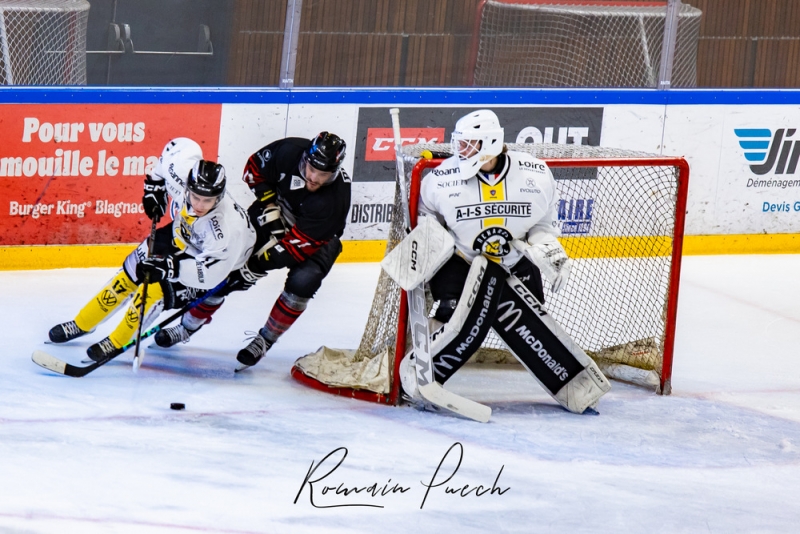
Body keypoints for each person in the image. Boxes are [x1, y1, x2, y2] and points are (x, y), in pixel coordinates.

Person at [153, 132, 351, 369]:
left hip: (318, 237)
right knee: (225, 265)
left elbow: (294, 250)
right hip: (276, 208)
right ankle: (187, 325)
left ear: (335, 171)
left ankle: (265, 340)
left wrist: (253, 268)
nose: (314, 178)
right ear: (305, 158)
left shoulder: (334, 201)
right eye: (311, 169)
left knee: (303, 282)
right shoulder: (288, 151)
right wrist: (269, 204)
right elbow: (253, 169)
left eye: (324, 174)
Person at [47, 138, 256, 362]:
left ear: (220, 196)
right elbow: (179, 147)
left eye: (208, 200)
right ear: (188, 185)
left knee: (154, 289)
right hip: (182, 234)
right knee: (131, 270)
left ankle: (118, 341)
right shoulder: (181, 173)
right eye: (195, 197)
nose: (199, 205)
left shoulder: (225, 231)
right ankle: (83, 323)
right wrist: (154, 186)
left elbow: (209, 275)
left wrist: (171, 269)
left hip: (209, 265)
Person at [405, 109, 573, 388]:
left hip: (513, 263)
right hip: (462, 262)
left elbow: (542, 225)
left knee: (533, 324)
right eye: (459, 143)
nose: (460, 150)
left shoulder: (536, 175)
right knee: (451, 316)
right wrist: (426, 252)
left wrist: (549, 249)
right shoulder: (439, 180)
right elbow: (428, 222)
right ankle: (424, 361)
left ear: (491, 143)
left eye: (469, 144)